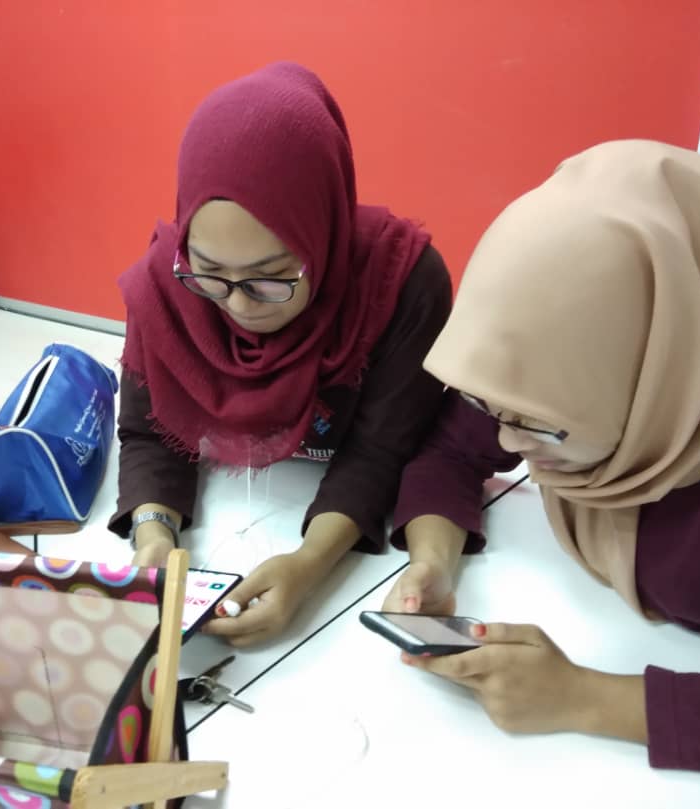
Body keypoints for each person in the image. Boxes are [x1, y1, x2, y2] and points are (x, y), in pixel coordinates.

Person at [387, 140, 700, 777]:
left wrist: (583, 697)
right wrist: (433, 562)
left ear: (663, 366)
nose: (508, 442)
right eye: (490, 407)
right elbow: (451, 450)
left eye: (542, 425)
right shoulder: (543, 369)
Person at [111, 62, 452, 646]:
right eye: (210, 273)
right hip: (234, 511)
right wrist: (154, 539)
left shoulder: (400, 284)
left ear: (323, 234)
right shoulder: (165, 283)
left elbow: (379, 449)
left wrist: (309, 566)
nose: (239, 305)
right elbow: (149, 431)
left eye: (271, 277)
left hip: (337, 503)